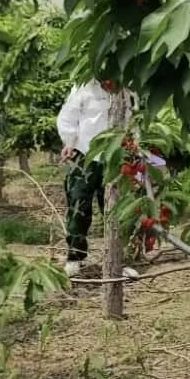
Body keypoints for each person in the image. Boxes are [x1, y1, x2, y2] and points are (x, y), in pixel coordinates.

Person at [56, 79, 117, 275]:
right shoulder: (84, 88)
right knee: (78, 204)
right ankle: (76, 256)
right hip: (84, 154)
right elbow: (67, 117)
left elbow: (133, 120)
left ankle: (118, 259)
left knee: (115, 208)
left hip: (114, 155)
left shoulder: (127, 88)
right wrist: (69, 141)